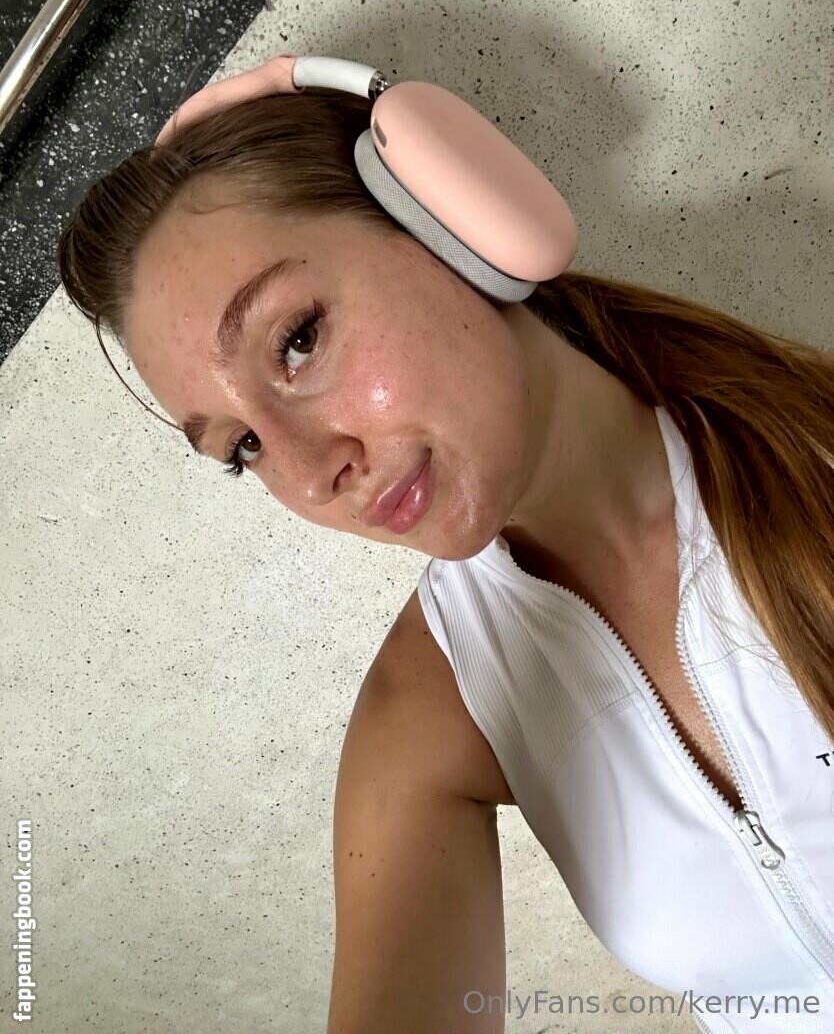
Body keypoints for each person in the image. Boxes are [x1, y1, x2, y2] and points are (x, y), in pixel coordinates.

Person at [57, 72, 833, 1033]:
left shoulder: (816, 454)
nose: (311, 474)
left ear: (450, 223)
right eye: (242, 447)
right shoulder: (426, 713)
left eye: (297, 340)